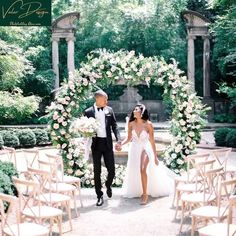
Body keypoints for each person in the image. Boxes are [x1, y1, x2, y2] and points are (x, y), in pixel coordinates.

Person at [120, 104, 175, 204]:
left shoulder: (148, 124)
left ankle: (145, 195)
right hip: (134, 149)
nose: (134, 111)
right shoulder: (131, 123)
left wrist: (155, 157)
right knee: (136, 170)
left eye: (136, 109)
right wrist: (120, 144)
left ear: (141, 112)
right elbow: (128, 138)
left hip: (146, 148)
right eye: (134, 109)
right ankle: (141, 190)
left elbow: (152, 141)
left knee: (142, 169)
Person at [84, 90, 121, 206]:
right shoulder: (88, 112)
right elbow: (84, 128)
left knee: (112, 170)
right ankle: (99, 195)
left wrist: (119, 139)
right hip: (96, 145)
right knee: (97, 171)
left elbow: (114, 126)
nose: (107, 101)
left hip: (107, 143)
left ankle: (108, 185)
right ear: (98, 99)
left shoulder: (109, 110)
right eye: (105, 99)